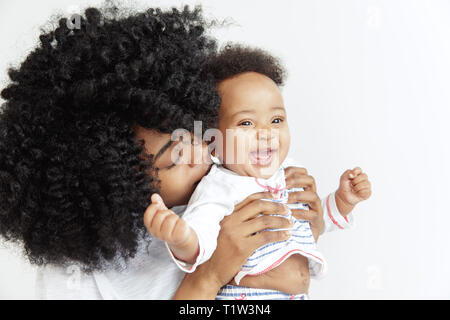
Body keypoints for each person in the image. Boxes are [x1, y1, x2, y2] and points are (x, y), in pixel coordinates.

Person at [0, 4, 360, 300]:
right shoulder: (75, 275)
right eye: (176, 156)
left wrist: (310, 219)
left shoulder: (221, 185)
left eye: (197, 131)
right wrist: (209, 276)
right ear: (117, 180)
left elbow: (294, 277)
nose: (204, 152)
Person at [144, 45, 372, 299]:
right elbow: (201, 239)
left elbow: (316, 222)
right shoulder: (220, 187)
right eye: (246, 123)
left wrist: (342, 201)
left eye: (276, 120)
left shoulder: (289, 173)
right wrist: (182, 239)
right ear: (214, 144)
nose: (266, 132)